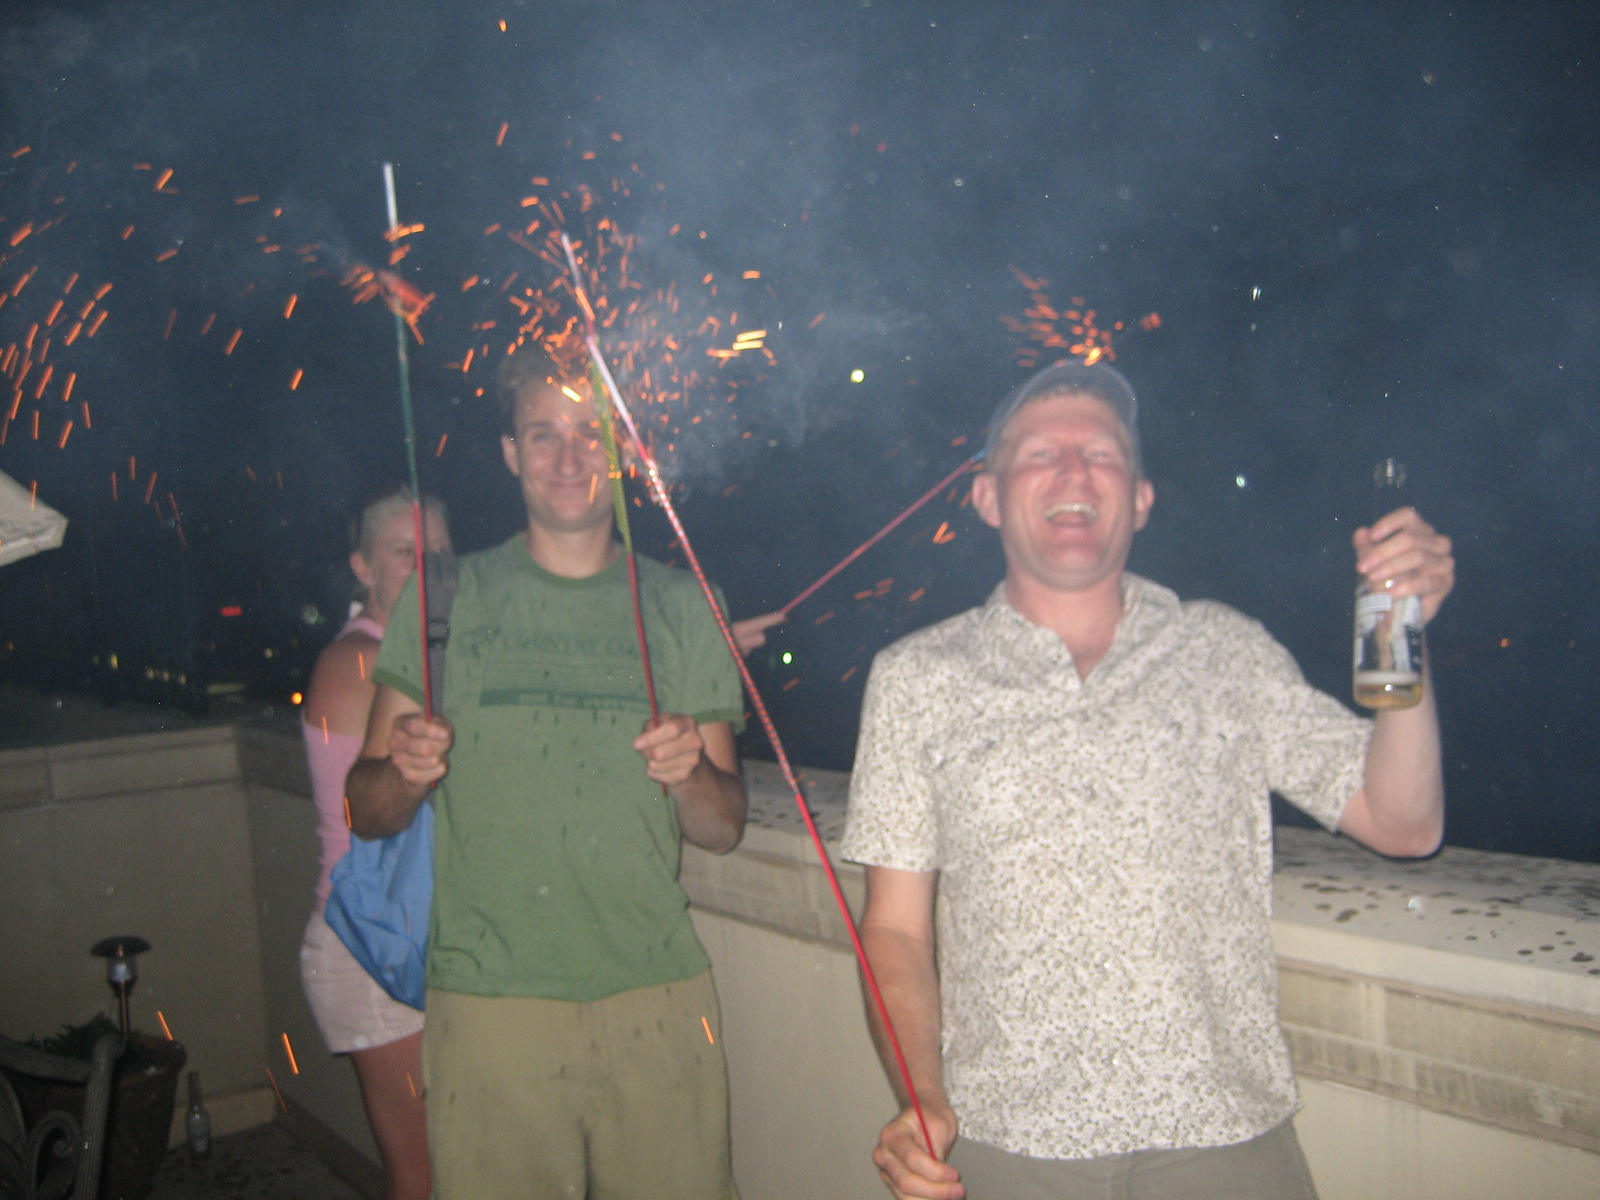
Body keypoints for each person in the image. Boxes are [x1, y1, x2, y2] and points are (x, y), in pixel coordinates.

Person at [840, 362, 1454, 1200]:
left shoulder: (1224, 650)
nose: (1072, 472)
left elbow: (1402, 821)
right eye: (1039, 453)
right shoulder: (916, 678)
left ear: (1139, 499)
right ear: (986, 497)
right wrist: (922, 1098)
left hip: (1222, 1138)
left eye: (1101, 454)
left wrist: (1407, 632)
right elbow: (897, 933)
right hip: (1002, 1141)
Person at [345, 345, 748, 1200]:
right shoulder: (445, 597)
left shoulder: (682, 605)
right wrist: (408, 772)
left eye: (588, 433)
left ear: (620, 451)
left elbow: (722, 826)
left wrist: (687, 775)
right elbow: (365, 808)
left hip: (659, 994)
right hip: (490, 1005)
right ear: (509, 454)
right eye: (542, 434)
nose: (567, 458)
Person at [299, 487, 450, 1200]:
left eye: (440, 553)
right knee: (421, 1175)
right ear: (363, 565)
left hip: (405, 937)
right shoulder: (354, 664)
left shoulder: (409, 657)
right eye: (404, 551)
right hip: (368, 943)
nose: (427, 566)